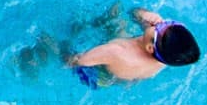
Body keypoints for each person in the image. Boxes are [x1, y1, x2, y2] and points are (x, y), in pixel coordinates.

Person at [69, 7, 200, 85]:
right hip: (126, 77)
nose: (160, 22)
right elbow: (134, 14)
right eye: (168, 23)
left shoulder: (116, 51)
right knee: (115, 18)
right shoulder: (166, 54)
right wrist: (143, 14)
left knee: (69, 35)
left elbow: (78, 61)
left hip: (97, 75)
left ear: (150, 47)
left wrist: (65, 50)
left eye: (158, 26)